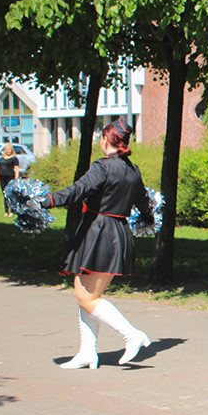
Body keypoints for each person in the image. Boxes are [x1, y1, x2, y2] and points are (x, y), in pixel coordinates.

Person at [39, 118, 153, 369]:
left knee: (86, 297)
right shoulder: (133, 171)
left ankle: (131, 334)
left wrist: (46, 201)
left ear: (106, 139)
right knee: (88, 294)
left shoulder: (103, 166)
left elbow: (77, 191)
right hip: (117, 233)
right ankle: (87, 352)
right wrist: (148, 218)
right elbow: (144, 203)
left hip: (99, 232)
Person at [0, 143, 20, 217]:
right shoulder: (2, 158)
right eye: (6, 149)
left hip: (10, 177)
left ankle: (12, 211)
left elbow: (16, 169)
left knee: (11, 194)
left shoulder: (14, 158)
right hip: (2, 177)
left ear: (11, 150)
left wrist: (16, 179)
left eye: (9, 149)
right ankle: (6, 211)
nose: (8, 151)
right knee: (5, 195)